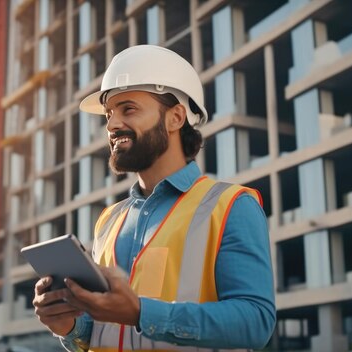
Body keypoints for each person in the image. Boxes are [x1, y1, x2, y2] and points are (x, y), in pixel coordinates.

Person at [32, 45, 275, 352]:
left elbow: (255, 323)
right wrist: (68, 326)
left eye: (128, 109)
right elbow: (101, 330)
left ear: (175, 118)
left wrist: (141, 313)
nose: (111, 125)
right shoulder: (109, 220)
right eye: (109, 114)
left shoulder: (231, 206)